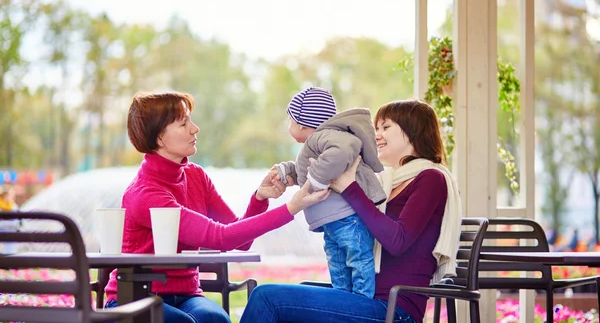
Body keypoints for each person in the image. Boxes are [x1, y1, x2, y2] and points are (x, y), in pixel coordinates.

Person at [103, 91, 330, 323]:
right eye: (184, 123)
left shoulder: (196, 177)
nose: (195, 128)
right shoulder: (145, 193)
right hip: (133, 298)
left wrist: (260, 198)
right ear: (160, 138)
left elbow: (240, 241)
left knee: (215, 320)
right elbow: (219, 236)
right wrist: (291, 208)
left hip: (186, 295)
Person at [241, 99, 462, 323]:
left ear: (415, 131)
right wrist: (291, 175)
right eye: (376, 128)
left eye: (386, 128)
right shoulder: (384, 182)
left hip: (394, 310)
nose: (376, 135)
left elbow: (397, 241)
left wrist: (350, 189)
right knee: (283, 299)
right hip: (363, 299)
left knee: (266, 298)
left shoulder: (431, 178)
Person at [273, 87, 386, 298]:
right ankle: (342, 304)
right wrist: (287, 171)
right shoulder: (317, 143)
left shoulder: (327, 136)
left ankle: (362, 304)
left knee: (358, 258)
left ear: (301, 123)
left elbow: (344, 150)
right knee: (338, 264)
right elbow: (310, 168)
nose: (289, 126)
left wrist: (315, 179)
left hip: (347, 217)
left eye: (290, 121)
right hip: (334, 222)